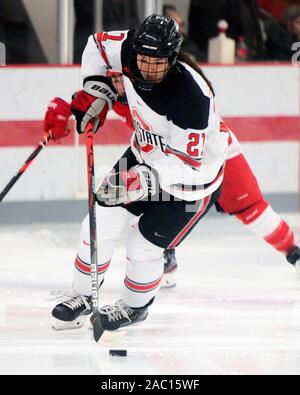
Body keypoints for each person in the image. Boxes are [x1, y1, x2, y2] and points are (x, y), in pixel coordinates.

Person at [46, 68, 300, 291]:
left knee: (250, 207)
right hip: (160, 160)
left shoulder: (162, 86)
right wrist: (65, 111)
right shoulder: (122, 88)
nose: (119, 86)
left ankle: (294, 252)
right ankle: (162, 257)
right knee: (138, 201)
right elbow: (88, 101)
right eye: (114, 79)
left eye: (120, 78)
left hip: (208, 156)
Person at [50, 15, 229, 331]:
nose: (147, 68)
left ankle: (135, 308)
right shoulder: (126, 47)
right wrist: (97, 89)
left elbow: (188, 164)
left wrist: (145, 180)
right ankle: (82, 294)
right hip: (143, 155)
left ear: (172, 59)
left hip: (191, 180)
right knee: (98, 220)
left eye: (157, 62)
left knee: (143, 243)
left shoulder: (191, 96)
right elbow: (95, 46)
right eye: (142, 59)